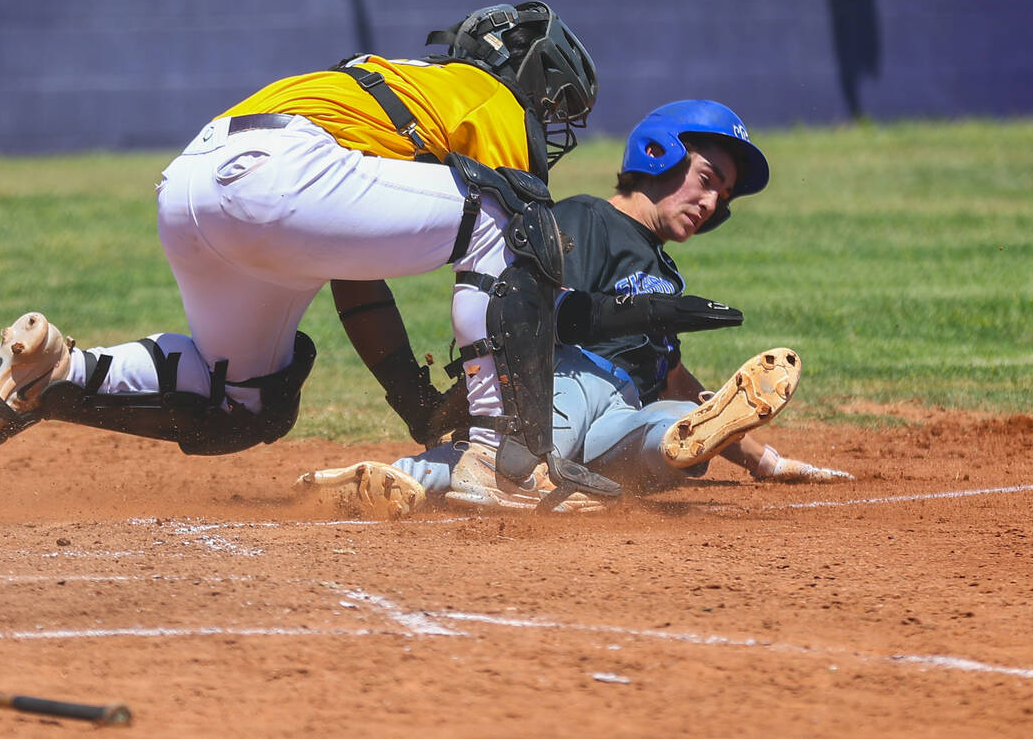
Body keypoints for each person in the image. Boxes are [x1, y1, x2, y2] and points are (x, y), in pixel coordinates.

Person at [0, 1, 731, 507]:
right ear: (524, 73)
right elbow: (531, 258)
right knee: (518, 219)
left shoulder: (404, 89)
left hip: (194, 182)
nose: (550, 121)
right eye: (554, 100)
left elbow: (357, 279)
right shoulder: (486, 97)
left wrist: (419, 407)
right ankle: (505, 460)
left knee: (244, 401)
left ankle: (54, 373)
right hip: (284, 179)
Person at [296, 99, 853, 518]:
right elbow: (538, 310)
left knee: (670, 432)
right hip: (568, 381)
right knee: (510, 465)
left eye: (722, 197)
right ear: (659, 154)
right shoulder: (588, 219)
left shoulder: (664, 272)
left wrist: (764, 459)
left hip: (624, 407)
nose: (710, 204)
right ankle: (397, 477)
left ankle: (683, 439)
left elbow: (673, 376)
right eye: (707, 180)